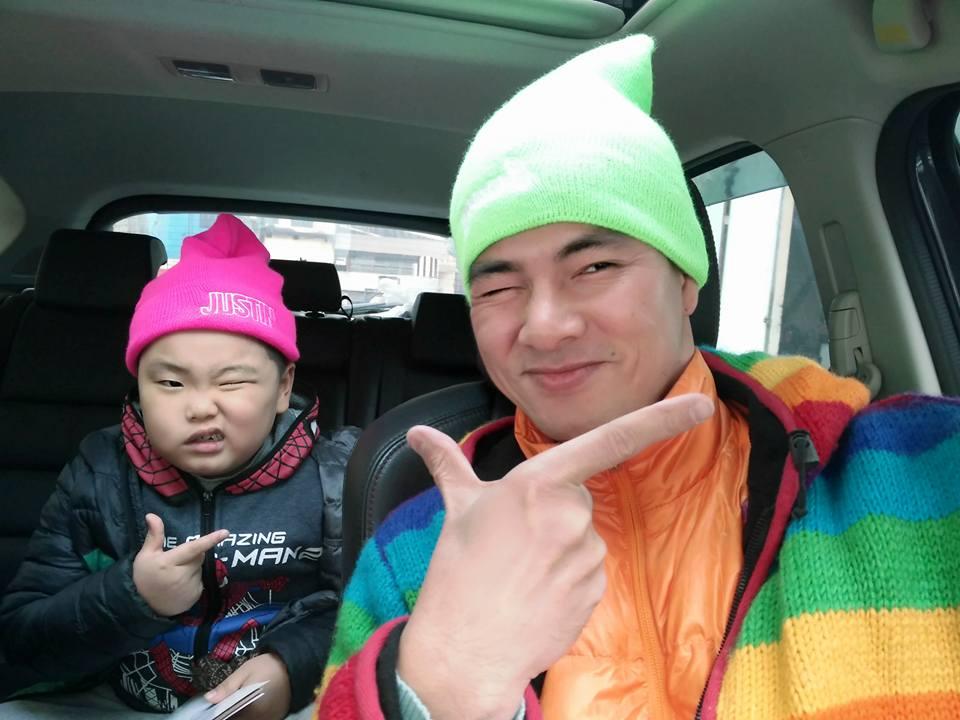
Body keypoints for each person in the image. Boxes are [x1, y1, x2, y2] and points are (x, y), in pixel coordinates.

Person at [314, 34, 960, 720]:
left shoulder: (923, 469)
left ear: (685, 282)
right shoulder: (414, 551)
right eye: (498, 287)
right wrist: (439, 684)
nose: (545, 326)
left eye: (595, 267)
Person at [0, 214, 358, 719]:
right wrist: (134, 596)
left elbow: (368, 613)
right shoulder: (101, 473)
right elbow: (22, 637)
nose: (200, 407)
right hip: (116, 700)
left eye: (232, 382)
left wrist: (292, 667)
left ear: (283, 387)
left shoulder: (335, 478)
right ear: (139, 386)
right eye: (170, 383)